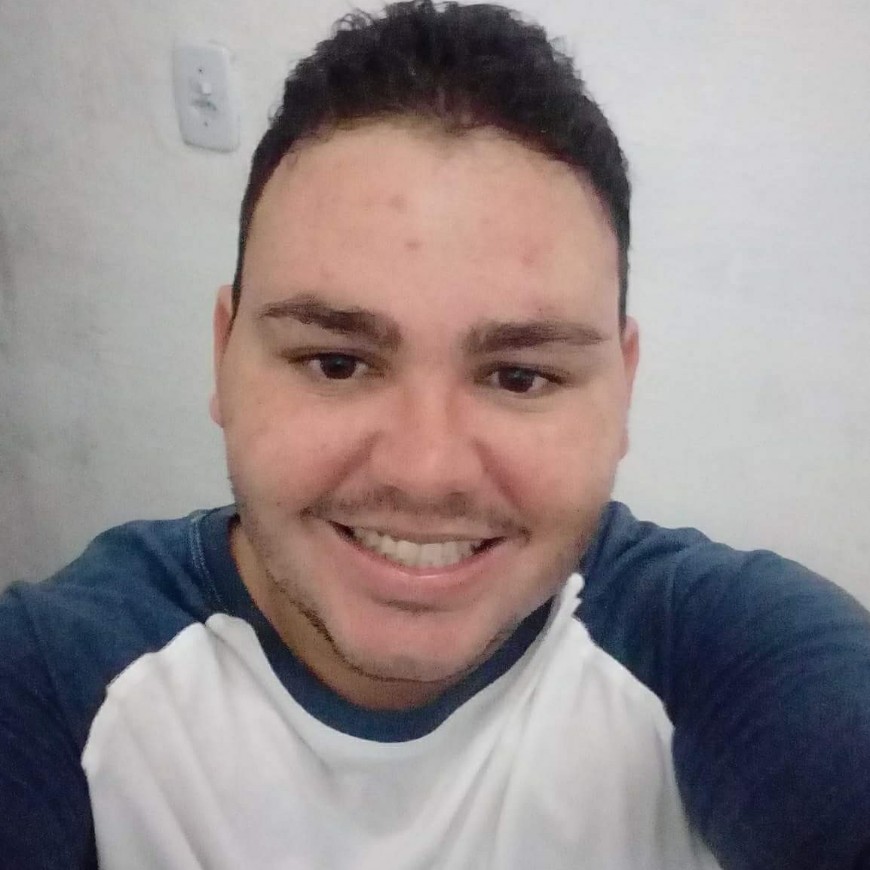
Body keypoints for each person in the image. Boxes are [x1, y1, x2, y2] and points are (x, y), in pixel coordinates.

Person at [1, 2, 868, 868]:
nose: (425, 470)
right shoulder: (52, 682)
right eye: (337, 362)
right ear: (224, 357)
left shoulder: (725, 652)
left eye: (519, 377)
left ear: (624, 391)